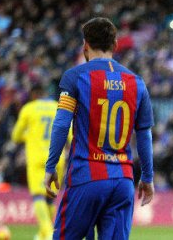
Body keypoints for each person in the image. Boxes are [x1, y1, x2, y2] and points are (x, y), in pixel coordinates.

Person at [44, 17, 154, 240]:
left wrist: (51, 166)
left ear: (85, 45)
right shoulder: (138, 82)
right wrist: (148, 177)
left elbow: (62, 124)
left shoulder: (75, 77)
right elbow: (144, 134)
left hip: (87, 177)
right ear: (115, 45)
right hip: (123, 181)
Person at [11, 84, 67, 240]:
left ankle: (48, 233)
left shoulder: (29, 108)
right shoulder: (59, 107)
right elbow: (69, 135)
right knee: (50, 196)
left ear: (34, 95)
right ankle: (45, 234)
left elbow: (15, 136)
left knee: (38, 196)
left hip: (36, 157)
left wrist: (29, 136)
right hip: (57, 158)